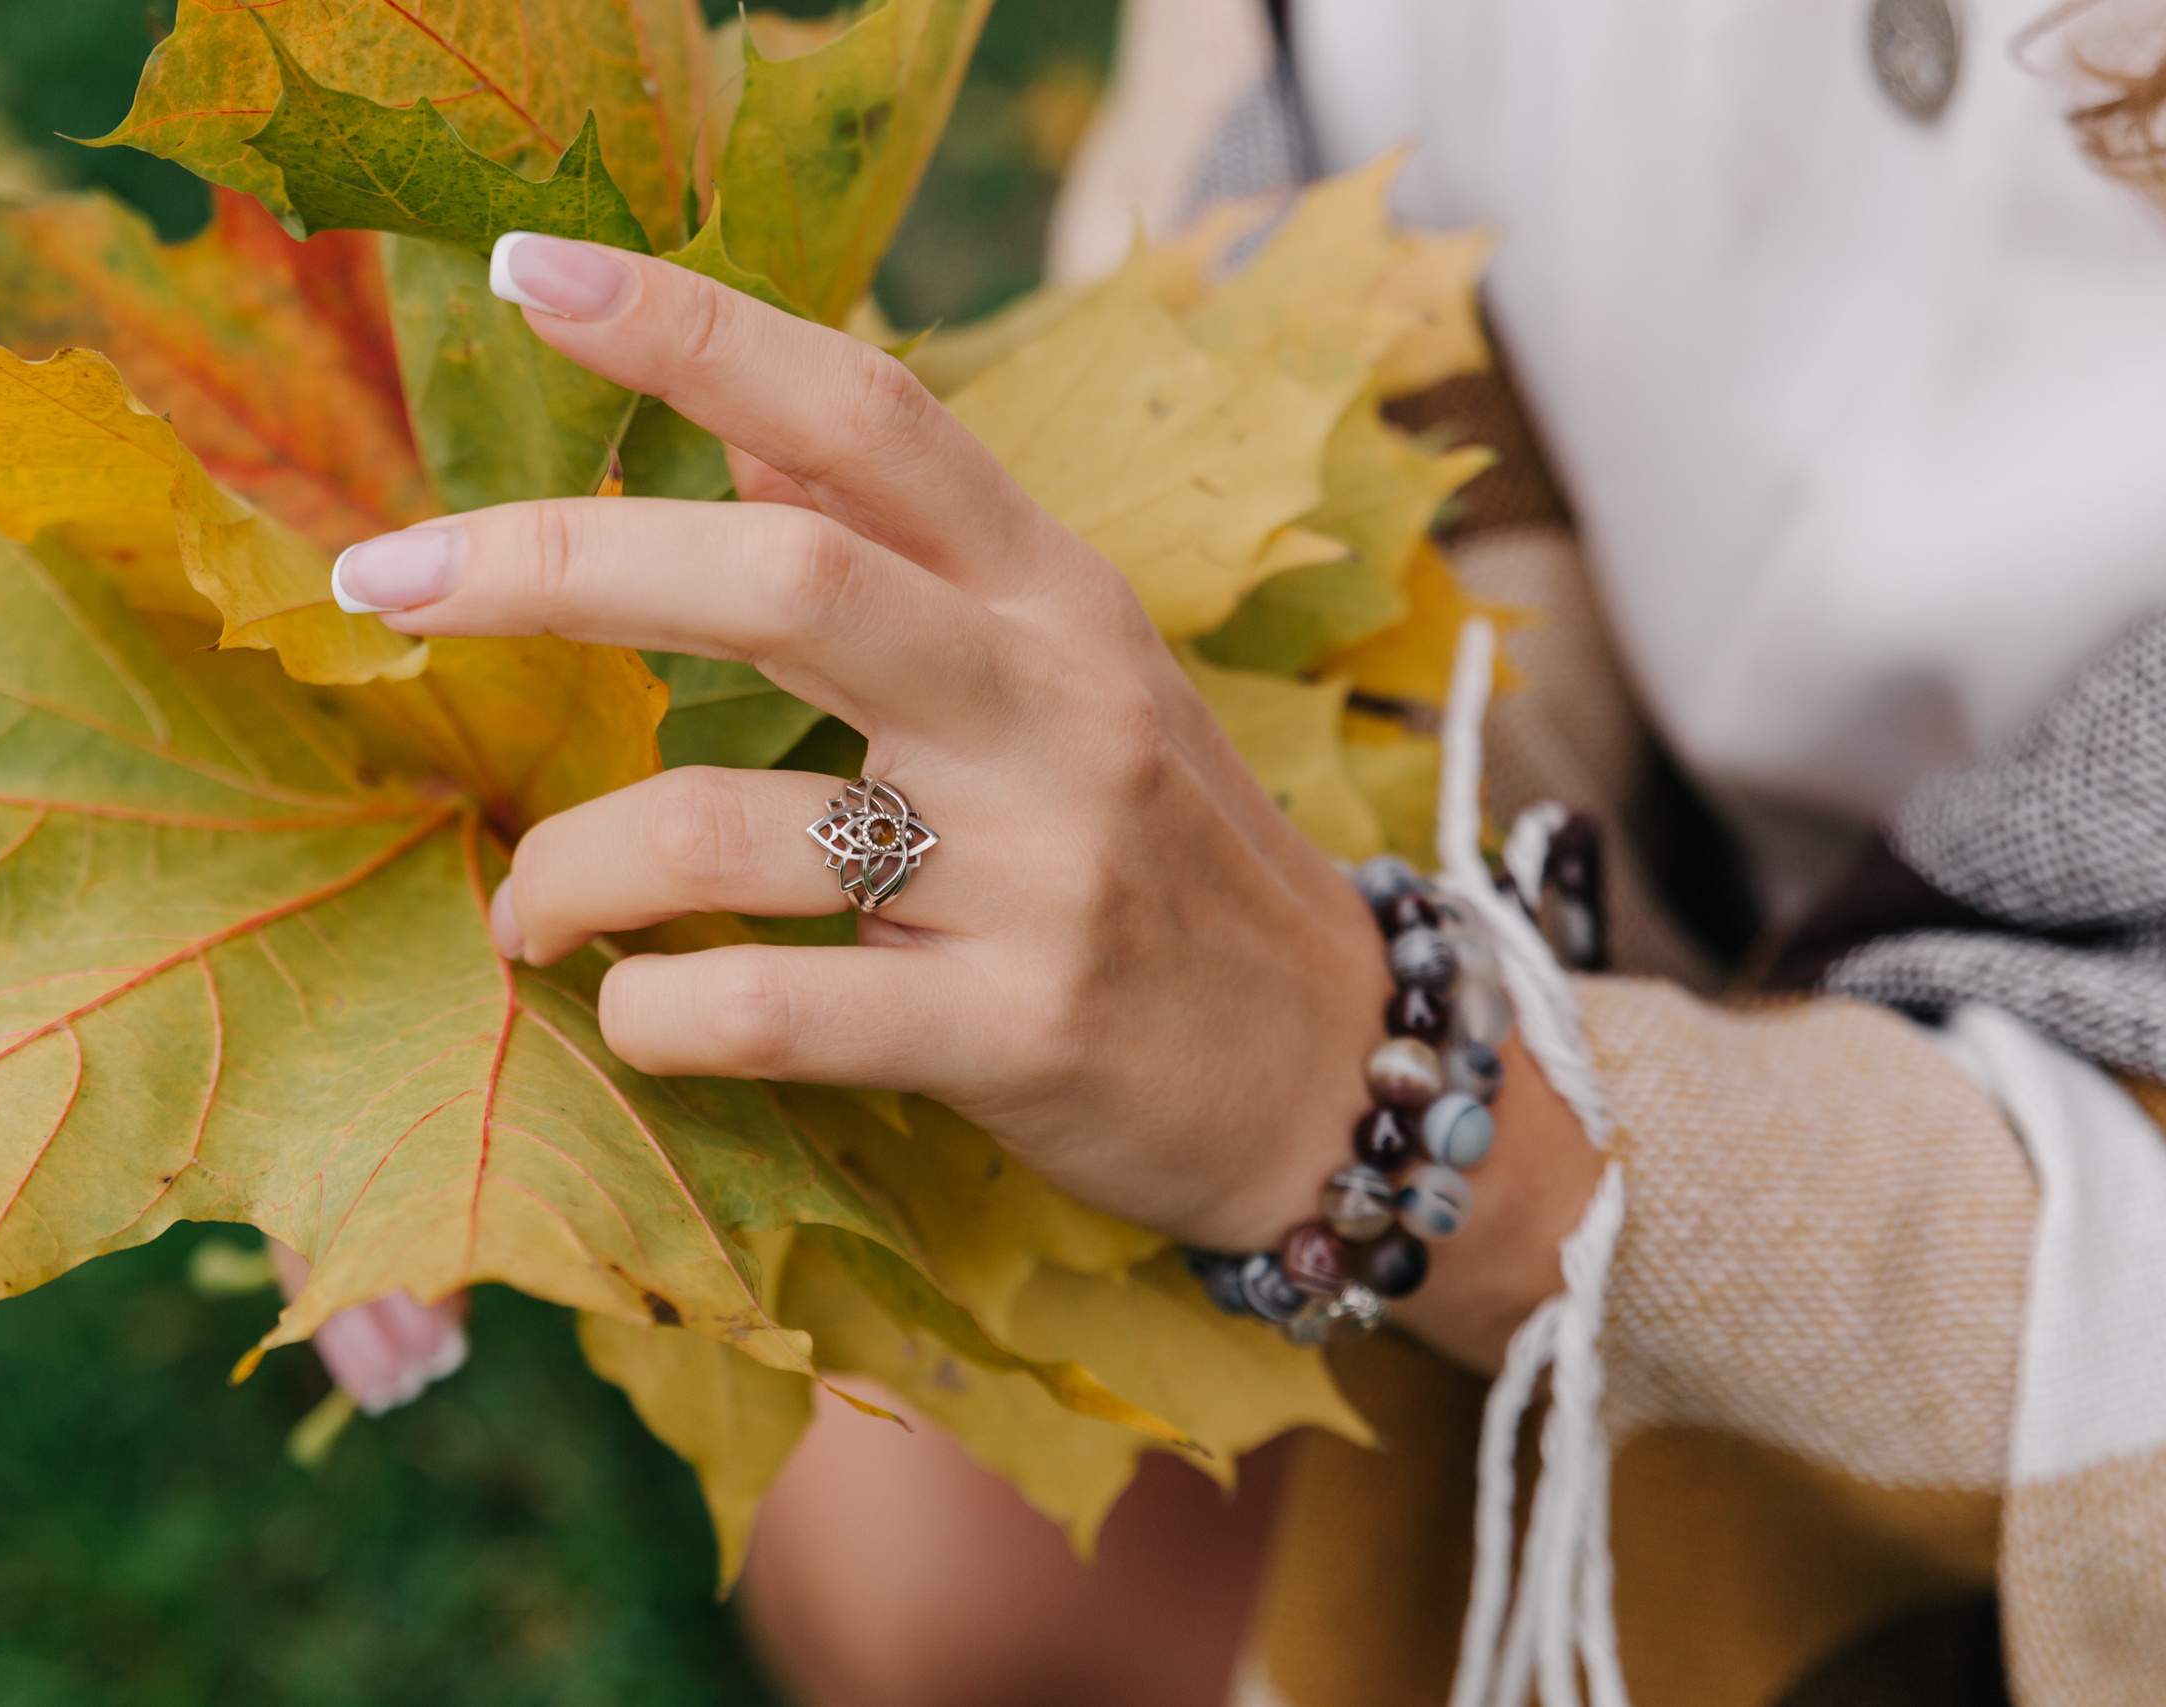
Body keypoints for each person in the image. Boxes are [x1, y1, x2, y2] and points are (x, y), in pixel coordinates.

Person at [317, 0, 2166, 1700]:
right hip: (1574, 810)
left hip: (2023, 1228)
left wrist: (1379, 1093)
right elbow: (1251, 234)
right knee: (918, 1551)